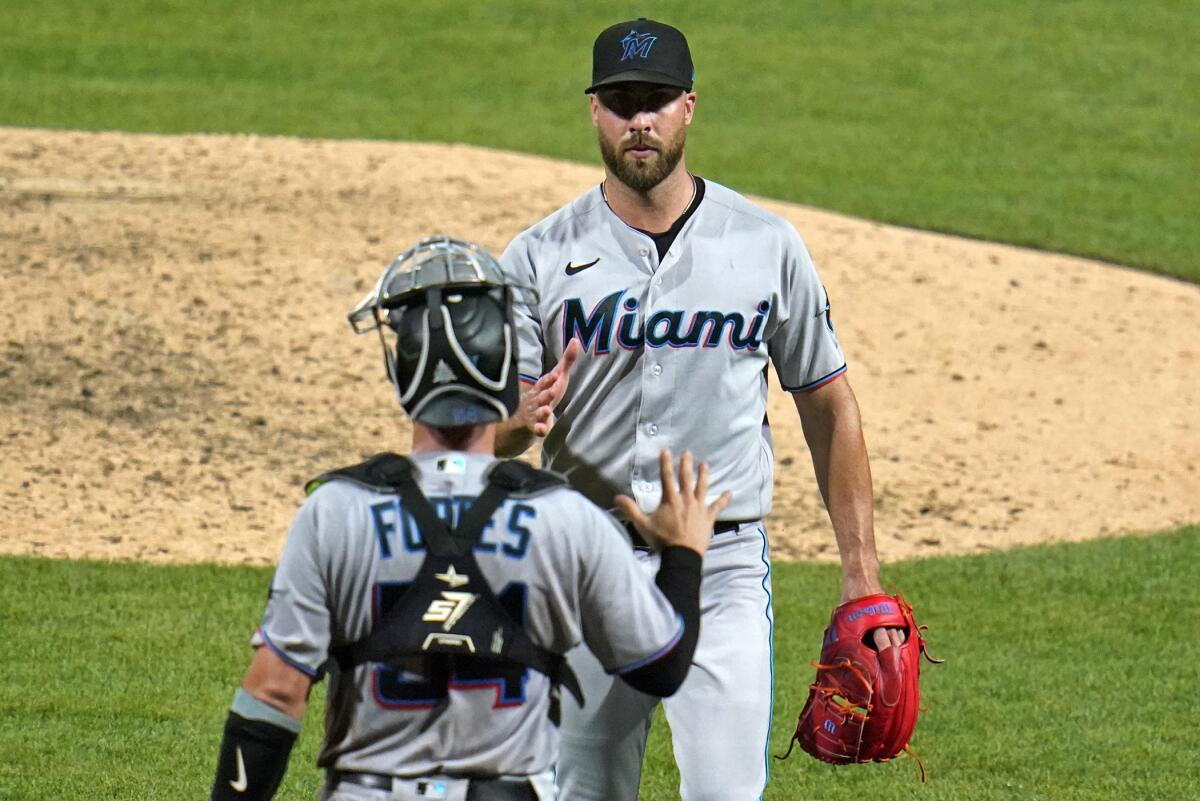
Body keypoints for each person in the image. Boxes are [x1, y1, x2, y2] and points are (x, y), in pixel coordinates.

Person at [495, 18, 903, 801]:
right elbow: (497, 430)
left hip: (721, 568)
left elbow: (829, 404)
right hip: (586, 565)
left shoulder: (765, 244)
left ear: (689, 106)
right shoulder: (539, 256)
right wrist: (515, 425)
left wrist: (861, 571)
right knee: (583, 792)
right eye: (620, 102)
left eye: (654, 101)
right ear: (593, 110)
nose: (638, 120)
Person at [208, 236, 731, 801]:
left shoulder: (334, 512)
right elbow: (661, 666)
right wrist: (684, 552)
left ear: (402, 367)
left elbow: (274, 695)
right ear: (506, 369)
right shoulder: (565, 518)